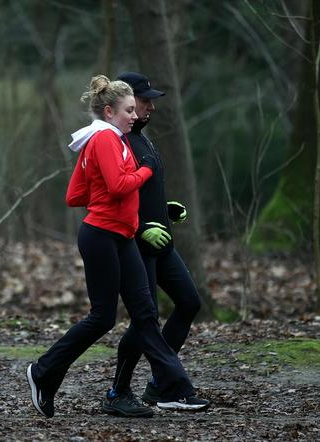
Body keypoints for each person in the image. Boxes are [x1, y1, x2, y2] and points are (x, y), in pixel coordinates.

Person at [26, 75, 209, 419]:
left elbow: (78, 194)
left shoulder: (112, 140)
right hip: (102, 237)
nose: (135, 115)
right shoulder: (107, 141)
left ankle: (173, 388)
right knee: (102, 318)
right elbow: (117, 184)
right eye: (130, 109)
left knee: (144, 315)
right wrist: (143, 173)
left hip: (121, 236)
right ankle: (44, 372)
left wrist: (138, 204)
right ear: (110, 111)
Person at [100, 72, 205, 417]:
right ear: (123, 104)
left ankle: (159, 386)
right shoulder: (115, 141)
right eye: (143, 102)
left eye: (149, 102)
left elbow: (140, 189)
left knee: (189, 302)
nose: (149, 108)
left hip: (162, 243)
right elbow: (110, 196)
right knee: (144, 320)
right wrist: (143, 225)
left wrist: (164, 208)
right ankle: (120, 390)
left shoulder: (142, 139)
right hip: (135, 243)